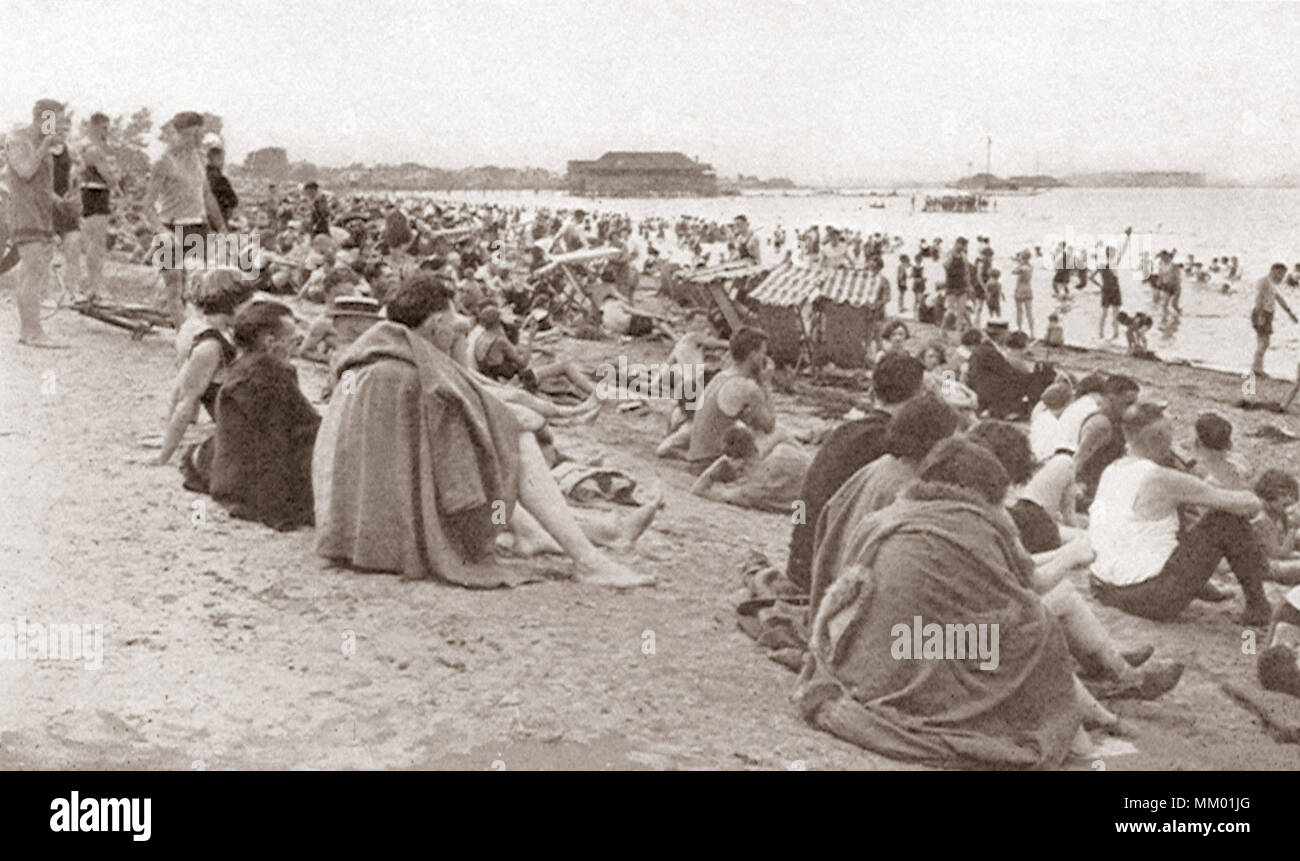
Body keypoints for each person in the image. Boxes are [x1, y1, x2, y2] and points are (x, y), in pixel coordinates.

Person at [312, 273, 654, 589]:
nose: (455, 336)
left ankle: (581, 533)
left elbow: (462, 417)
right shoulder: (408, 373)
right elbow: (473, 424)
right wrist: (523, 420)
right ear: (435, 325)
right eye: (452, 326)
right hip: (392, 528)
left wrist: (526, 415)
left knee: (496, 460)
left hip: (361, 514)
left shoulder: (379, 356)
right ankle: (588, 560)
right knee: (512, 446)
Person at [793, 437, 1081, 769]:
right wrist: (1072, 556)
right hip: (916, 656)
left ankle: (1104, 694)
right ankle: (1090, 717)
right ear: (984, 493)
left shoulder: (886, 516)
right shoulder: (974, 526)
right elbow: (1018, 593)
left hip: (862, 658)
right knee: (1038, 626)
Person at [1088, 401, 1273, 626]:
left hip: (1103, 586)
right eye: (1171, 434)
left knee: (1169, 520)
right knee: (1226, 520)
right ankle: (1258, 606)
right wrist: (1226, 473)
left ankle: (1202, 584)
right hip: (1150, 596)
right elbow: (1250, 505)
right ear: (1161, 440)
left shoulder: (1113, 469)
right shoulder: (1162, 478)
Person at [784, 353, 924, 592]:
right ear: (918, 400)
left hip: (800, 563)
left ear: (872, 392)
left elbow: (806, 504)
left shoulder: (846, 431)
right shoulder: (894, 446)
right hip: (827, 578)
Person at [181, 301, 319, 530]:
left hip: (226, 475)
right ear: (271, 342)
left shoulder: (241, 366)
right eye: (294, 341)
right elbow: (288, 436)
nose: (296, 348)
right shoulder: (275, 374)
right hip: (253, 485)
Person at [152, 269, 248, 465]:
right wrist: (163, 455)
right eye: (246, 305)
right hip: (242, 426)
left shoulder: (217, 333)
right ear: (232, 304)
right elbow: (185, 402)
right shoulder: (210, 346)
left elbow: (180, 390)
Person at [145, 111, 226, 326]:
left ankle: (193, 327)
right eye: (192, 135)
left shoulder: (199, 158)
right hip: (171, 227)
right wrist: (161, 231)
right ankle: (183, 332)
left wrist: (222, 228)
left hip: (197, 227)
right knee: (174, 284)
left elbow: (207, 195)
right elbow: (147, 206)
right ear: (178, 133)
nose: (197, 141)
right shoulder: (164, 162)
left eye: (200, 135)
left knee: (200, 283)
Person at [5, 99, 66, 347]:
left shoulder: (44, 143)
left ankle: (29, 330)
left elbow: (40, 183)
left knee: (35, 273)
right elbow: (25, 171)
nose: (57, 126)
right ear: (41, 118)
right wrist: (44, 147)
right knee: (32, 273)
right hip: (24, 213)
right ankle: (32, 332)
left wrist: (60, 202)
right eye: (54, 120)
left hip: (41, 213)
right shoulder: (18, 139)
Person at [686, 326, 775, 474]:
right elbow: (770, 425)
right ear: (753, 355)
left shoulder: (722, 376)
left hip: (698, 458)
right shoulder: (746, 387)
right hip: (712, 463)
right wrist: (766, 383)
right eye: (763, 354)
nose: (764, 359)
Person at [690, 425, 811, 513]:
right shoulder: (785, 450)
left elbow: (698, 490)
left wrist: (712, 473)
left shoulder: (750, 492)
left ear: (738, 464)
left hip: (810, 507)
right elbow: (780, 433)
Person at [1073, 374, 1139, 508]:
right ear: (1111, 399)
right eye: (1128, 403)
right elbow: (1078, 462)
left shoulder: (1117, 421)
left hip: (1104, 486)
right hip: (1091, 489)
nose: (1133, 409)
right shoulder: (1101, 424)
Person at [79, 112, 119, 299]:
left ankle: (95, 284)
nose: (106, 132)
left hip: (98, 193)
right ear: (94, 127)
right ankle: (94, 285)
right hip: (94, 193)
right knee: (95, 243)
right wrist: (114, 178)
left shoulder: (99, 148)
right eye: (103, 128)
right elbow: (109, 175)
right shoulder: (93, 149)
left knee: (97, 243)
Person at [1252, 470, 1300, 585]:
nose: (1288, 508)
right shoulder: (1261, 520)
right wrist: (1294, 527)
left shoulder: (1276, 513)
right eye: (1285, 504)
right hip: (1264, 566)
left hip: (1272, 558)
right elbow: (1279, 554)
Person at [1251, 262, 1297, 377]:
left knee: (1263, 342)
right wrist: (1260, 314)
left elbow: (1279, 298)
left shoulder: (1271, 284)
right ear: (1274, 271)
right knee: (1264, 342)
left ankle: (1257, 368)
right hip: (1262, 313)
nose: (1281, 278)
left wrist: (1289, 312)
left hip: (1268, 314)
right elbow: (1258, 298)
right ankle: (1256, 369)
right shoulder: (1264, 282)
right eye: (1280, 274)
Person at [206, 145, 239, 227]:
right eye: (222, 159)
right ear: (217, 159)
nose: (223, 162)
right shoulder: (220, 179)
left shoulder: (201, 177)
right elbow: (233, 201)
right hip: (219, 222)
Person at [1012, 249, 1034, 337]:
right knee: (1029, 312)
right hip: (1028, 289)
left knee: (1019, 311)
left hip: (1020, 290)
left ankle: (1020, 329)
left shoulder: (1022, 268)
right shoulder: (1030, 266)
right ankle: (1032, 331)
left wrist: (1019, 263)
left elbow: (1013, 271)